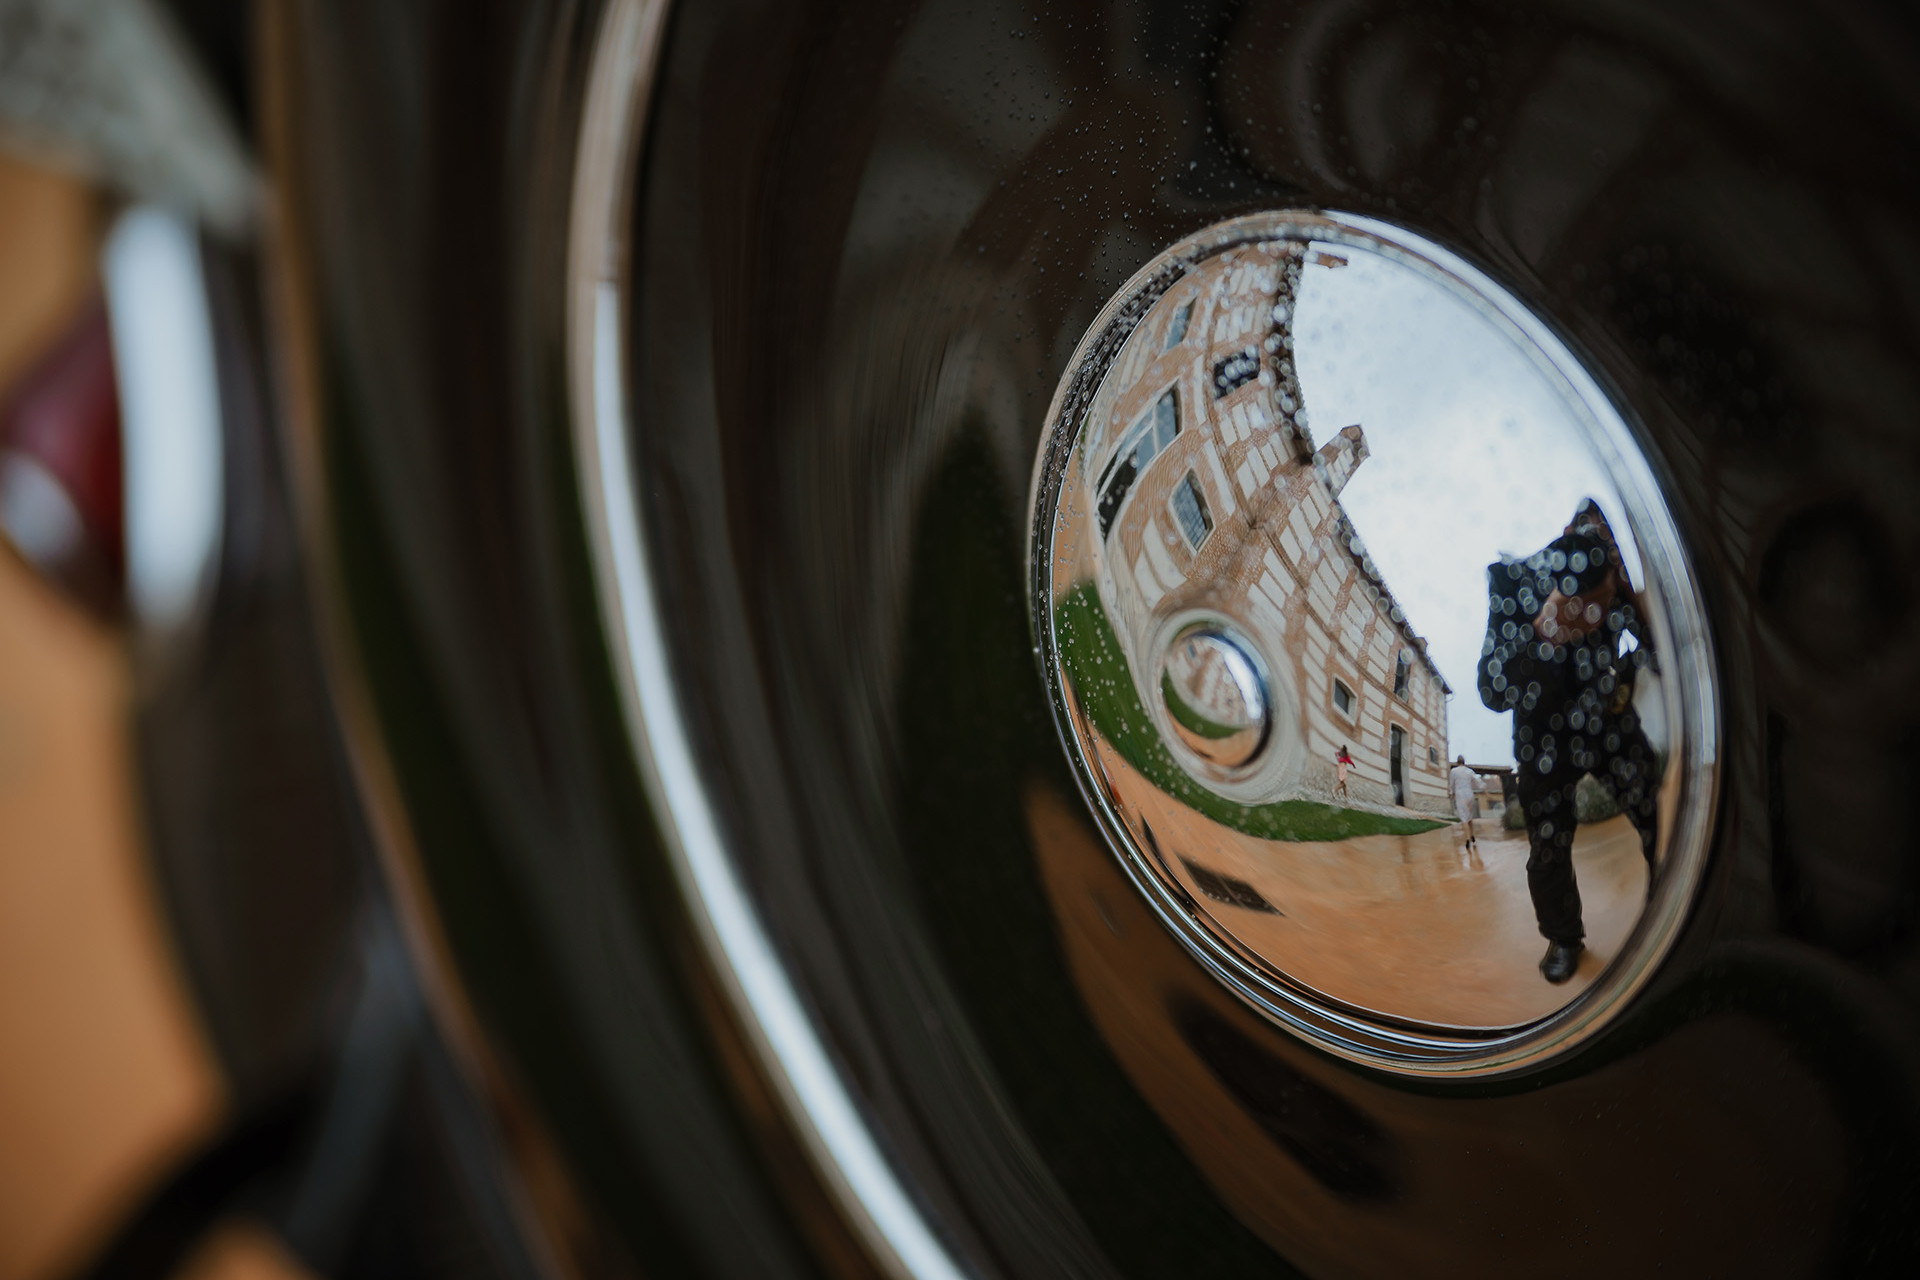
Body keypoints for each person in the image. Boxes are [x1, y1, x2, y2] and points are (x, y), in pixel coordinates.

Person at [1478, 500, 1660, 985]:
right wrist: (1544, 633)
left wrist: (1636, 606)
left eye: (1609, 543)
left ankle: (1670, 886)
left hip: (1606, 723)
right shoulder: (1512, 583)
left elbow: (1657, 654)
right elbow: (1492, 691)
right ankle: (1563, 937)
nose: (1598, 618)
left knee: (1654, 807)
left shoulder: (1611, 583)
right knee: (1548, 847)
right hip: (1542, 740)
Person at [1449, 755, 1480, 853]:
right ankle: (1472, 837)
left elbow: (1452, 785)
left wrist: (1451, 794)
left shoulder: (1453, 771)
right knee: (1469, 818)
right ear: (1464, 762)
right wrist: (1484, 788)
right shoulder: (1469, 771)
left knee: (1464, 819)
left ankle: (1467, 840)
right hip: (1469, 795)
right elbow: (1477, 780)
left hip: (1460, 795)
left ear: (1457, 762)